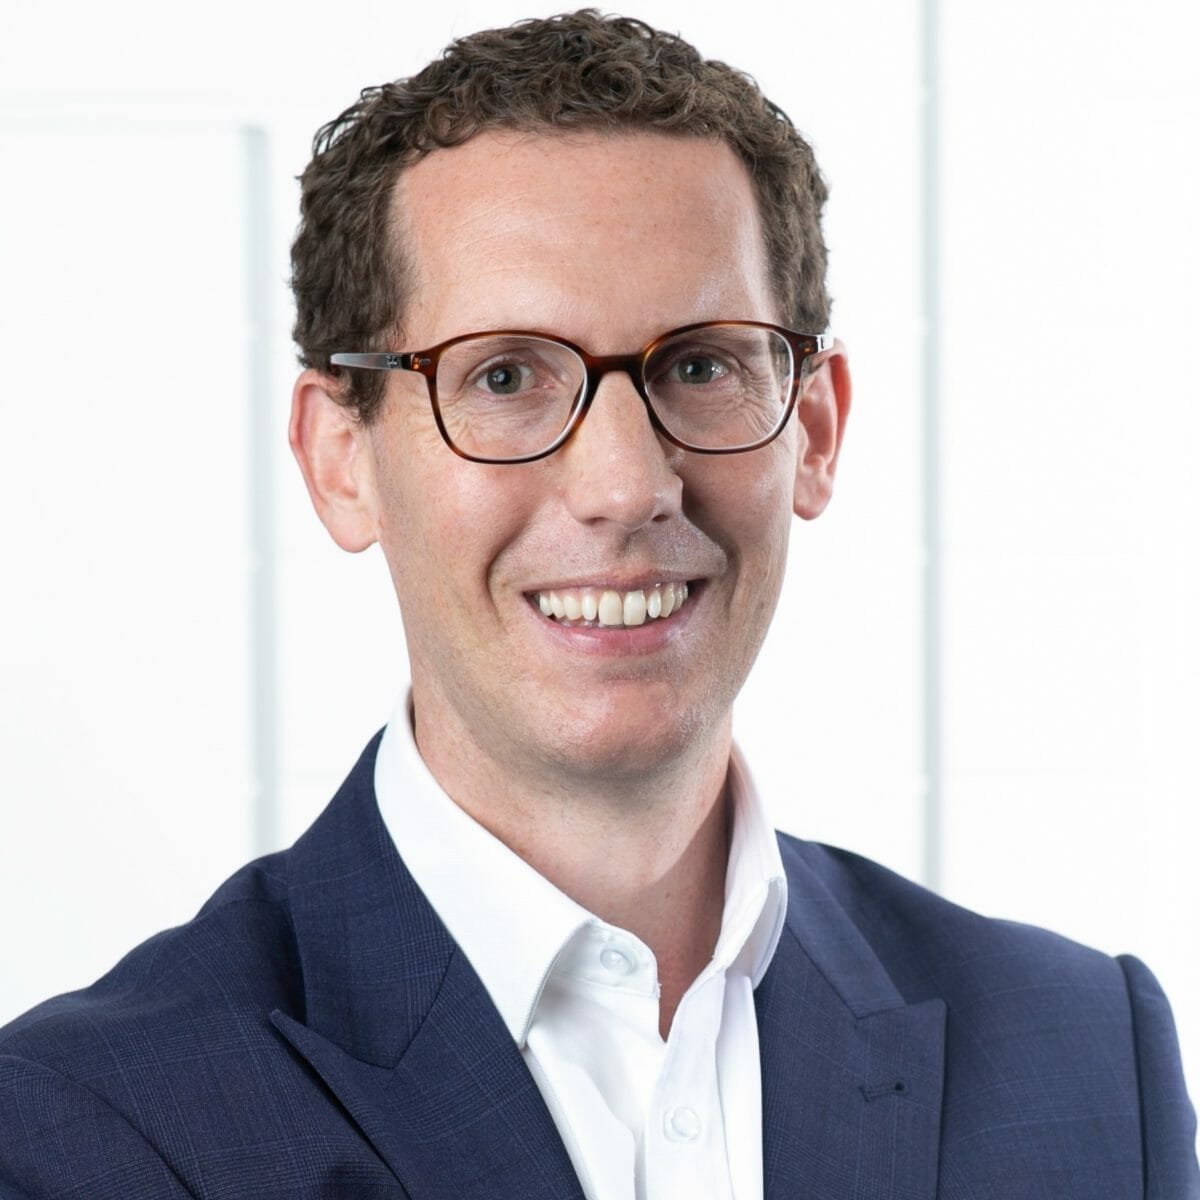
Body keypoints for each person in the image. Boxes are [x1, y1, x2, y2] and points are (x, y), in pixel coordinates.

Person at [0, 10, 1196, 1198]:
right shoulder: (92, 1131)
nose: (626, 485)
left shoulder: (1089, 1059)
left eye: (702, 364)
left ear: (817, 428)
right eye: (504, 375)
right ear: (339, 459)